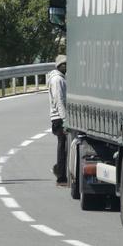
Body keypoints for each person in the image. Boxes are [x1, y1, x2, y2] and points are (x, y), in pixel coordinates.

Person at [48, 55, 68, 185]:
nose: (67, 67)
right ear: (60, 65)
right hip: (58, 118)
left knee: (64, 146)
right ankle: (60, 175)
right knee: (62, 147)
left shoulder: (60, 78)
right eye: (65, 64)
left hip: (59, 117)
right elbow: (59, 100)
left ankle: (59, 169)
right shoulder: (57, 80)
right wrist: (64, 119)